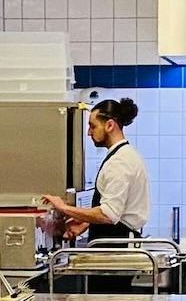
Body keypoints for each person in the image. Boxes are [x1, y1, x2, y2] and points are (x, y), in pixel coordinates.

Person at [40, 97, 149, 242]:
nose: (89, 133)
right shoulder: (123, 155)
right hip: (117, 243)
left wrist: (63, 207)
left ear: (110, 125)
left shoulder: (119, 162)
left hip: (117, 248)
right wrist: (86, 222)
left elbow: (108, 215)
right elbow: (117, 211)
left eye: (93, 126)